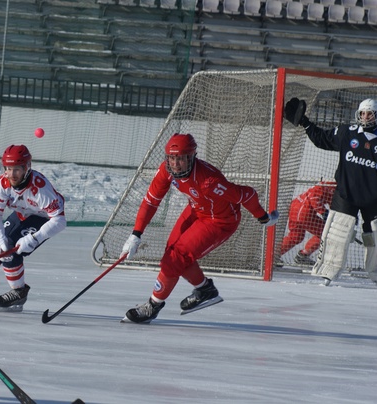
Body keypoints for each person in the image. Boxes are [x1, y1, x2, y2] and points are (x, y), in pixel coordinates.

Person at [120, 133, 279, 323]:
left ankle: (153, 306)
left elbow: (247, 194)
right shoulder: (166, 170)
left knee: (175, 258)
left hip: (220, 221)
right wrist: (136, 234)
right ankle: (205, 290)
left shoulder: (208, 182)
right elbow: (151, 201)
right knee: (171, 254)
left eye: (180, 159)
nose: (175, 164)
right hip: (197, 209)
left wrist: (263, 217)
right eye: (171, 158)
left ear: (191, 157)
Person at [0, 144, 66, 311]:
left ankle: (18, 292)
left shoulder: (40, 188)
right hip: (21, 214)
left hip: (42, 218)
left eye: (16, 169)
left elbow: (59, 221)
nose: (11, 174)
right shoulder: (2, 182)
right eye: (8, 169)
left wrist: (35, 238)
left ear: (27, 168)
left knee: (12, 250)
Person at [284, 97, 377, 285]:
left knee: (373, 237)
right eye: (362, 113)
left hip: (373, 198)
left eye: (370, 113)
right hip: (345, 195)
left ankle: (375, 273)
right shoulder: (346, 133)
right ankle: (328, 271)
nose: (366, 117)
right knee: (337, 234)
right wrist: (305, 122)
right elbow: (322, 139)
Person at [280, 182, 335, 266]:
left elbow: (332, 203)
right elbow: (314, 197)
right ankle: (303, 255)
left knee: (296, 236)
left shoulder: (333, 186)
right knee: (326, 232)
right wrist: (323, 212)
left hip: (296, 207)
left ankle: (272, 255)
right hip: (304, 212)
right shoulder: (330, 185)